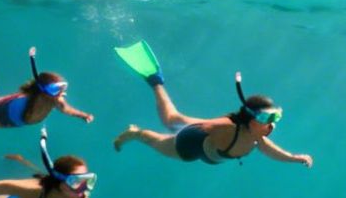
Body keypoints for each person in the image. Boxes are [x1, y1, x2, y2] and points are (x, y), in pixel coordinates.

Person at [109, 41, 311, 168]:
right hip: (192, 144)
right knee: (164, 130)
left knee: (173, 118)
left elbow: (270, 150)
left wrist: (294, 158)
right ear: (250, 120)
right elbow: (204, 128)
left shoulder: (257, 137)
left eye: (275, 118)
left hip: (212, 146)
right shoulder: (228, 127)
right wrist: (181, 129)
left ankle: (156, 83)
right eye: (267, 119)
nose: (272, 125)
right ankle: (135, 132)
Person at [0, 46, 96, 129]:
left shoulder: (56, 100)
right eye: (56, 90)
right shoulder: (35, 98)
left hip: (8, 107)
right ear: (43, 92)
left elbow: (67, 110)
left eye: (62, 88)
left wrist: (83, 115)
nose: (61, 93)